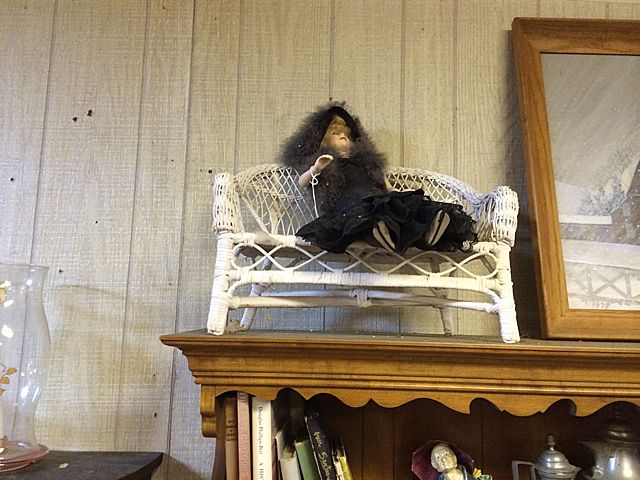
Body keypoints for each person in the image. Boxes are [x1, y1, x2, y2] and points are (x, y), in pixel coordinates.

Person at [279, 101, 477, 254]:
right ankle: (379, 234)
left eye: (347, 134)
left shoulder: (366, 162)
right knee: (366, 219)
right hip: (350, 207)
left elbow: (386, 185)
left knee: (407, 209)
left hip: (378, 199)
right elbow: (303, 182)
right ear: (322, 141)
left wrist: (398, 194)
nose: (343, 136)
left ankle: (431, 230)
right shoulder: (327, 162)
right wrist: (316, 168)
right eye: (336, 133)